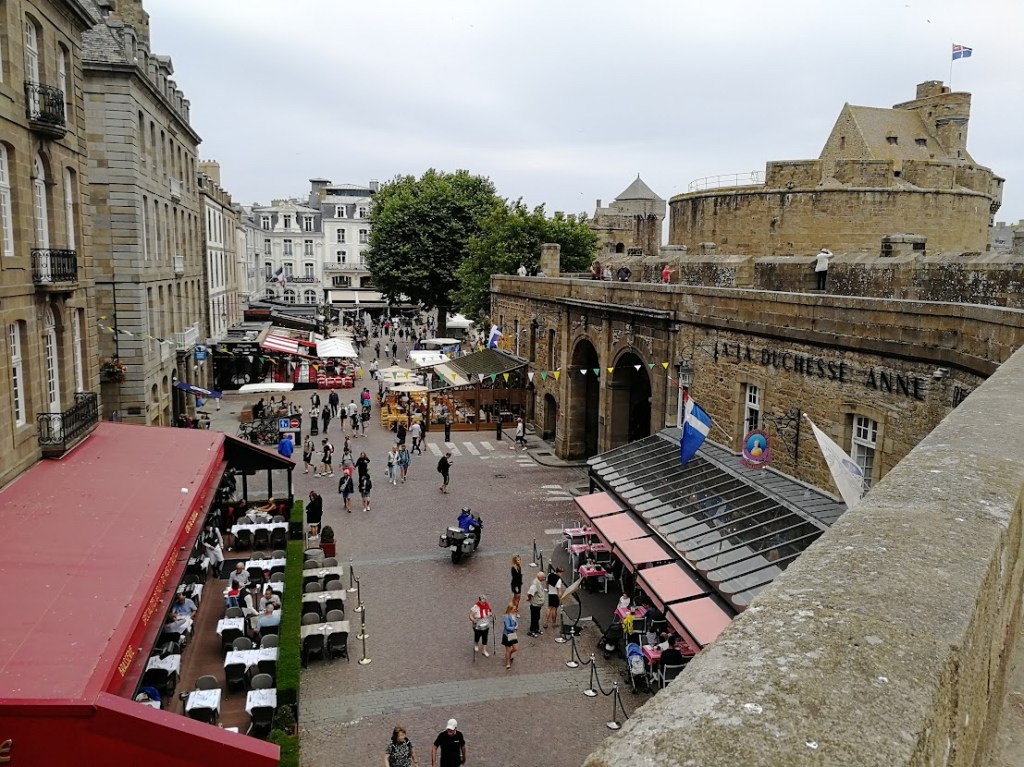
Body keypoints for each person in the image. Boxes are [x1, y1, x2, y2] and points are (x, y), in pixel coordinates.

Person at [526, 571, 546, 636]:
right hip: (535, 604)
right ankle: (532, 630)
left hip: (538, 604)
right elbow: (530, 592)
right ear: (540, 577)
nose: (544, 578)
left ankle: (536, 629)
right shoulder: (535, 584)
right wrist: (529, 598)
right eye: (543, 577)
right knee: (534, 618)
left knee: (537, 617)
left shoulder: (538, 582)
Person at [501, 602, 519, 670]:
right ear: (510, 609)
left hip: (512, 634)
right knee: (508, 650)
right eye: (514, 609)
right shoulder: (506, 617)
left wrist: (516, 625)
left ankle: (507, 656)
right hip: (507, 635)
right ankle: (508, 663)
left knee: (515, 648)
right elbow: (507, 627)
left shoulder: (513, 615)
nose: (515, 610)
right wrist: (514, 628)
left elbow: (515, 622)